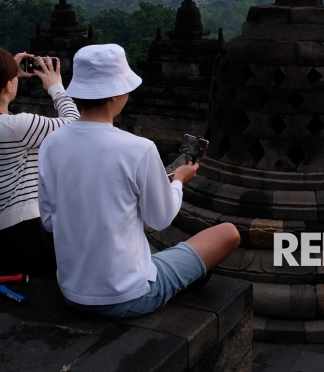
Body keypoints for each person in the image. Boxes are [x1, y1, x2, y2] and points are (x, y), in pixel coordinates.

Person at [38, 44, 240, 318]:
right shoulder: (138, 148)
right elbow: (160, 219)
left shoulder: (51, 143)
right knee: (228, 233)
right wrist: (178, 181)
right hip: (129, 296)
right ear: (116, 96)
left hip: (72, 290)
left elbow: (49, 221)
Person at [0, 46, 79, 277]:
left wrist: (7, 70)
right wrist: (56, 87)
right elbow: (75, 125)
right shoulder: (16, 126)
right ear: (8, 86)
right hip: (20, 243)